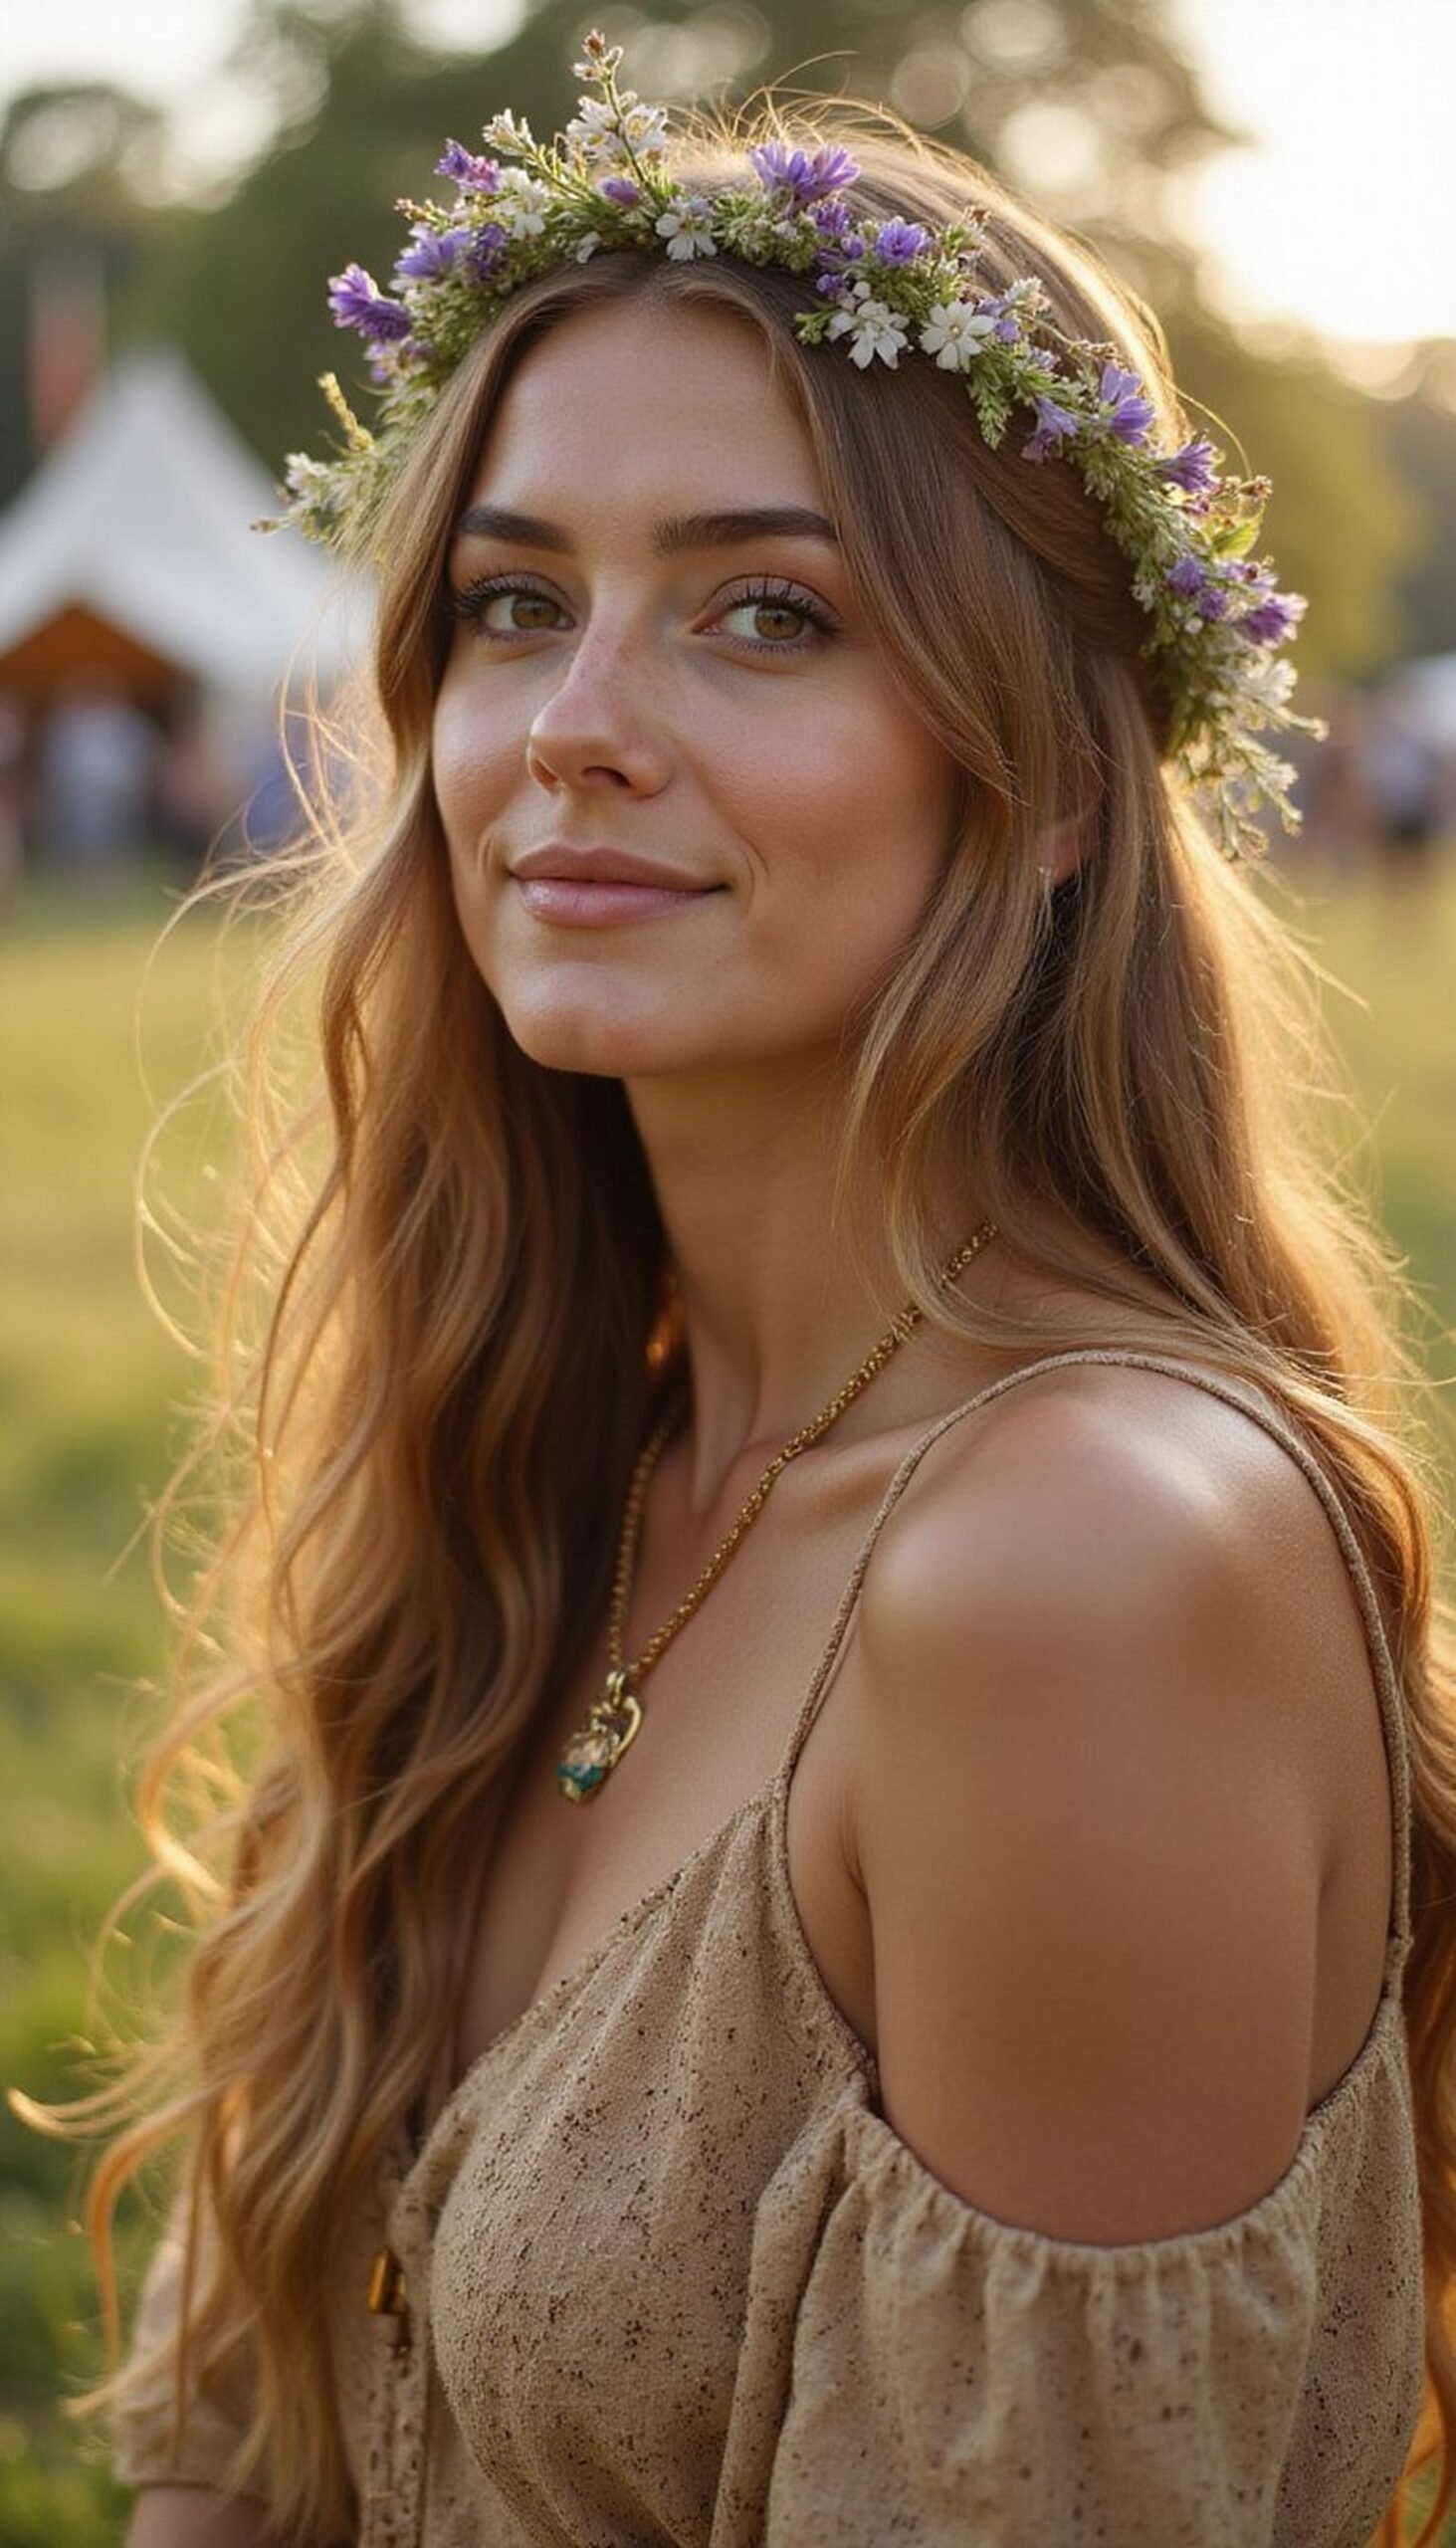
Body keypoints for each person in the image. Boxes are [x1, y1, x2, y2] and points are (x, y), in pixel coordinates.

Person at [63, 37, 1456, 2547]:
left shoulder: (1079, 1574)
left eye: (766, 613)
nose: (576, 728)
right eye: (515, 603)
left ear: (1046, 779)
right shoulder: (544, 1456)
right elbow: (245, 2444)